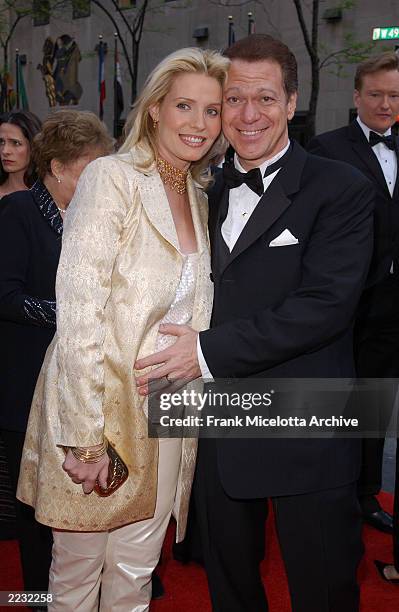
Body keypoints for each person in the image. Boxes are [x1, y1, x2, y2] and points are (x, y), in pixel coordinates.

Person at [135, 34, 374, 612]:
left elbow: (325, 305)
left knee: (322, 588)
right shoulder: (199, 188)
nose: (247, 115)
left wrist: (207, 353)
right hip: (214, 424)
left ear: (292, 103)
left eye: (264, 99)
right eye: (233, 100)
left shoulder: (340, 187)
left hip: (309, 420)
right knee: (229, 585)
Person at [17, 47, 228, 610]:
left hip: (172, 407)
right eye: (185, 105)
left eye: (212, 110)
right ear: (156, 108)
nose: (199, 123)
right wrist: (84, 434)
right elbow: (80, 310)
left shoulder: (199, 196)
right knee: (77, 573)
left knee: (137, 569)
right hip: (103, 405)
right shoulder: (111, 178)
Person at [0, 109, 112, 594]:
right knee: (32, 501)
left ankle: (88, 585)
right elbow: (5, 295)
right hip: (23, 381)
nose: (99, 180)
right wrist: (71, 315)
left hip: (83, 380)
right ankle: (39, 596)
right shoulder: (21, 213)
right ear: (58, 167)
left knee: (78, 485)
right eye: (90, 168)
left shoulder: (97, 217)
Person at [308, 53, 399, 537]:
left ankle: (365, 494)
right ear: (358, 97)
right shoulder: (326, 149)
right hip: (345, 302)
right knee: (336, 403)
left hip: (393, 306)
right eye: (378, 94)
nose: (387, 104)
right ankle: (326, 493)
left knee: (376, 405)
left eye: (395, 96)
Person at [0, 110, 42, 198]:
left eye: (16, 143)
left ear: (33, 146)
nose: (5, 151)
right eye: (1, 142)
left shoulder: (49, 196)